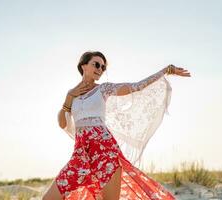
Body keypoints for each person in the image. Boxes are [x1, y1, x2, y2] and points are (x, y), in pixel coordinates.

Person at [42, 51, 191, 200]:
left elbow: (136, 86)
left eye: (103, 67)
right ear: (83, 66)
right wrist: (68, 98)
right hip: (81, 155)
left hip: (106, 153)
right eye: (97, 64)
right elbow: (62, 123)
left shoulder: (103, 89)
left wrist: (165, 70)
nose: (100, 69)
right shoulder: (73, 94)